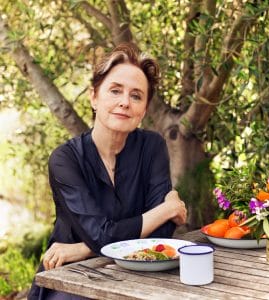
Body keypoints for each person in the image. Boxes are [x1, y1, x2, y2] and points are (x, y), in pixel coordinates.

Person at [28, 43, 187, 300]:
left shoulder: (152, 146)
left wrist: (83, 248)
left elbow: (161, 234)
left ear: (144, 109)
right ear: (94, 97)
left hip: (136, 274)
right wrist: (166, 209)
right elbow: (102, 235)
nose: (125, 102)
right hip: (72, 278)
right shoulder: (65, 159)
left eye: (136, 96)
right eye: (115, 91)